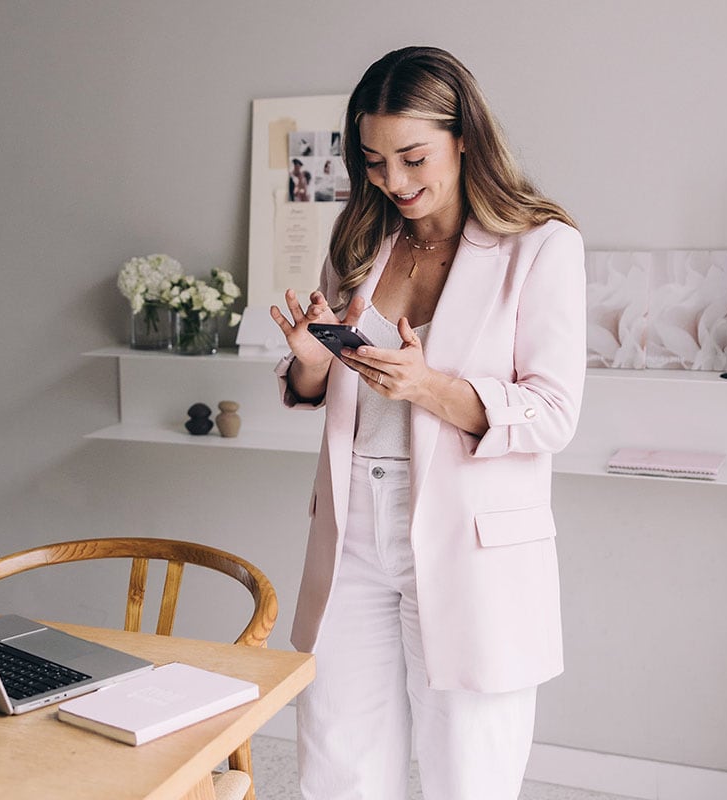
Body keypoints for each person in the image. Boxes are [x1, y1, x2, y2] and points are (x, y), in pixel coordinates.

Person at [269, 46, 585, 800]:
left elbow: (552, 413)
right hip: (351, 531)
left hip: (468, 538)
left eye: (413, 157)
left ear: (465, 136)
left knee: (467, 773)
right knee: (337, 764)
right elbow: (330, 394)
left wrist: (430, 387)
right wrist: (310, 363)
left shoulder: (540, 248)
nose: (395, 182)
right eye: (375, 162)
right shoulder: (358, 246)